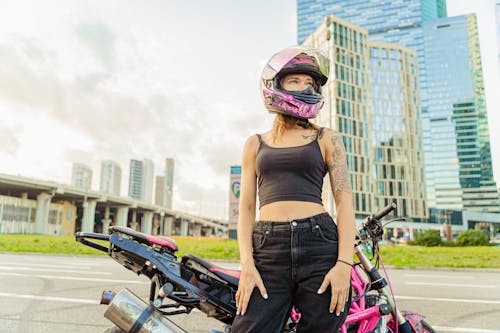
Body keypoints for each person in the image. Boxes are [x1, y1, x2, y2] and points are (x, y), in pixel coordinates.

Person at [232, 46, 356, 333]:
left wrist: (343, 265)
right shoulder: (254, 143)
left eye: (310, 84)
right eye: (295, 81)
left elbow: (345, 204)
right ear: (276, 85)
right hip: (268, 246)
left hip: (319, 242)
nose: (305, 88)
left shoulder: (327, 138)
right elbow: (247, 208)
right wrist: (247, 264)